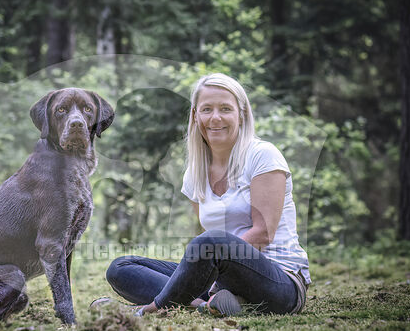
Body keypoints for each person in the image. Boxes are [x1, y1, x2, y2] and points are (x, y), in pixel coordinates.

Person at [95, 73, 310, 317]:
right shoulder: (194, 174)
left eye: (225, 109)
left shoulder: (263, 155)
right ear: (196, 116)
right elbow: (208, 242)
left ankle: (149, 310)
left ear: (242, 114)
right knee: (121, 268)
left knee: (208, 243)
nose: (215, 117)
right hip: (223, 280)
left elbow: (263, 234)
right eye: (207, 109)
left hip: (280, 283)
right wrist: (202, 276)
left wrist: (210, 274)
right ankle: (208, 305)